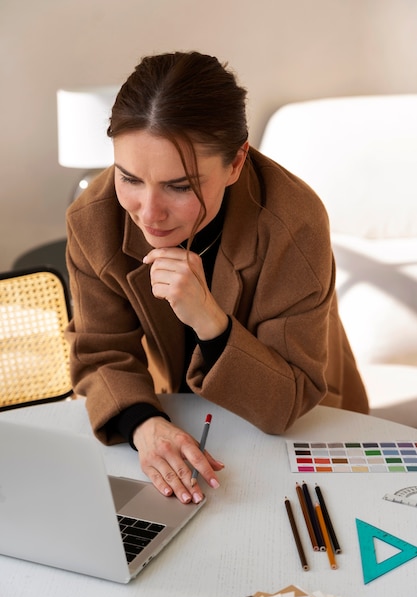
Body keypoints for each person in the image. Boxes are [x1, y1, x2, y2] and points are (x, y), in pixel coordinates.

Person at [65, 51, 369, 506]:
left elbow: (287, 401)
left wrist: (209, 319)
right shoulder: (94, 219)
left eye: (180, 186)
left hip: (307, 429)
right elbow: (99, 351)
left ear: (236, 162)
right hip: (185, 423)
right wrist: (143, 424)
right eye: (129, 178)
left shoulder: (295, 222)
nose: (148, 213)